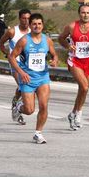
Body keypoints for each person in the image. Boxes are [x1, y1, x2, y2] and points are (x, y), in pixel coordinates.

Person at [9, 13, 58, 144]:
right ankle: (19, 106)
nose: (37, 26)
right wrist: (20, 72)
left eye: (39, 24)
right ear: (30, 26)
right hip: (27, 79)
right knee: (29, 110)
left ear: (43, 25)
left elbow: (54, 55)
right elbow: (12, 57)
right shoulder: (24, 40)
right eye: (34, 24)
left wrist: (54, 61)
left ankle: (38, 133)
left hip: (43, 77)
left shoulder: (47, 40)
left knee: (44, 106)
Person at [58, 4, 89, 131]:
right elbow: (61, 38)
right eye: (83, 12)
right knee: (84, 86)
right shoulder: (71, 26)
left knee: (83, 90)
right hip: (75, 60)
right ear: (79, 14)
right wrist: (68, 46)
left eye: (87, 13)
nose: (85, 15)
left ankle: (73, 113)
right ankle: (78, 114)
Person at [0, 9, 31, 125]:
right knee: (24, 86)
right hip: (15, 64)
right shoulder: (12, 31)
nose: (26, 21)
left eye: (28, 18)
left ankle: (15, 100)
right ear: (19, 18)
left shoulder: (33, 31)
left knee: (25, 87)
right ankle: (19, 113)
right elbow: (1, 43)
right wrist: (7, 54)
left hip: (29, 65)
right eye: (24, 18)